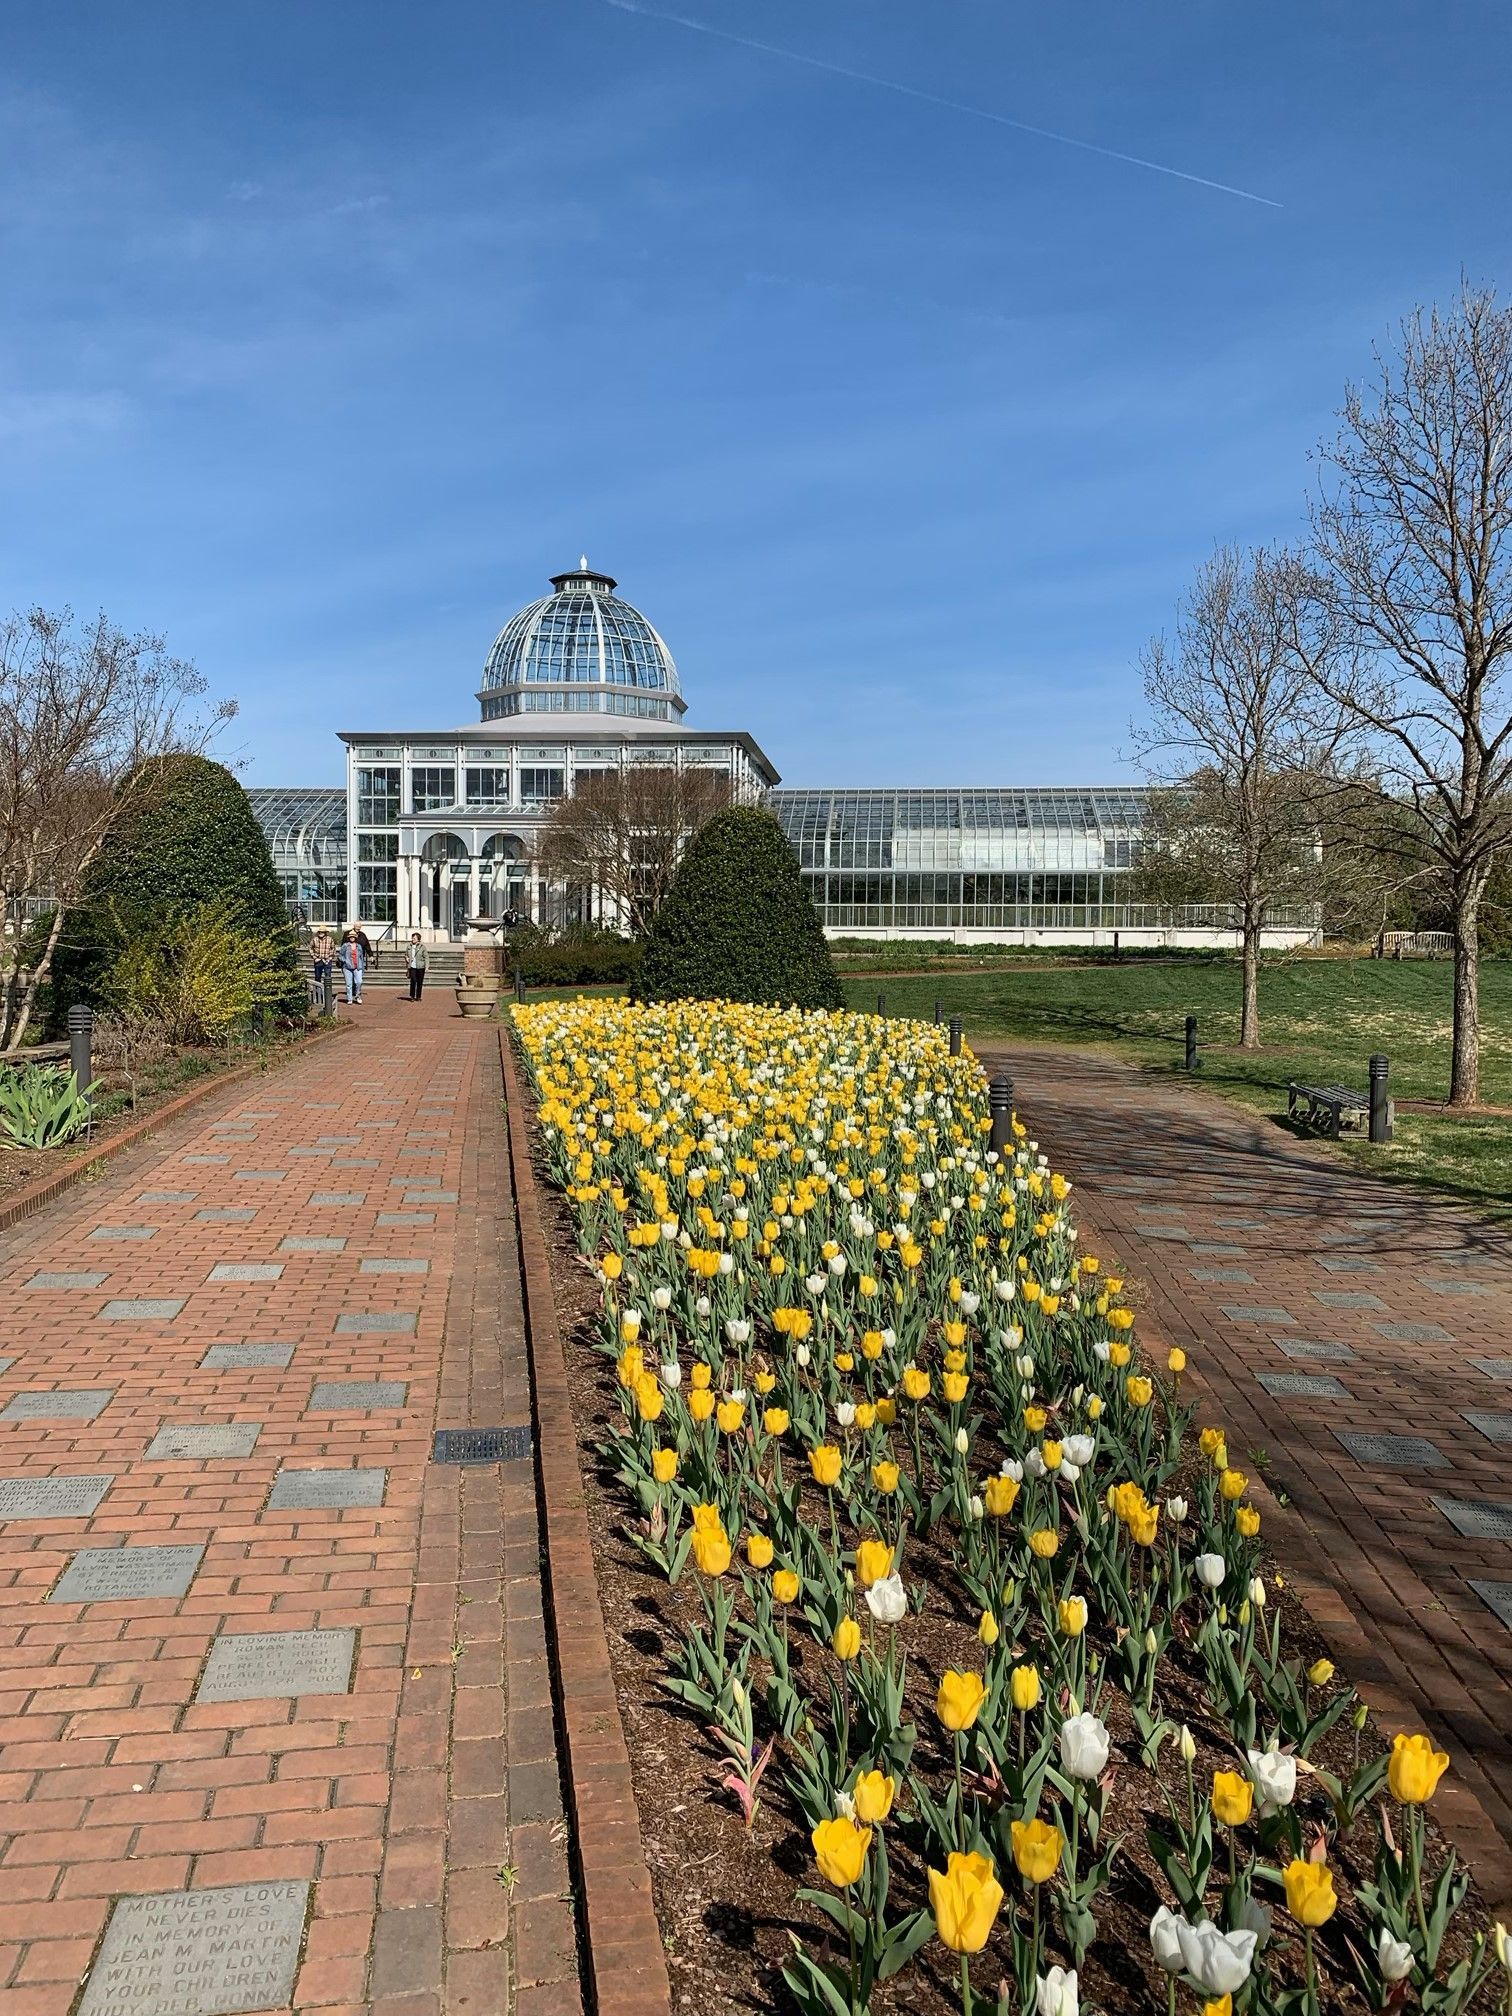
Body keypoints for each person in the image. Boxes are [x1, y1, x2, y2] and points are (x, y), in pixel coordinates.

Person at [338, 928, 366, 1005]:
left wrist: (362, 967)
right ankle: (349, 998)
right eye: (351, 937)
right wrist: (345, 961)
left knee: (359, 982)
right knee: (349, 984)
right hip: (347, 967)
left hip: (358, 966)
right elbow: (340, 956)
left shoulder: (359, 946)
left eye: (353, 937)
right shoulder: (345, 946)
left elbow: (361, 957)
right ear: (349, 937)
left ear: (356, 938)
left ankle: (358, 996)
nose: (352, 938)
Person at [310, 926, 334, 1006]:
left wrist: (330, 957)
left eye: (323, 932)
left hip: (327, 960)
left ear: (325, 933)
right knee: (317, 977)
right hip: (318, 960)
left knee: (327, 977)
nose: (321, 933)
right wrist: (314, 957)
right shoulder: (315, 939)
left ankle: (327, 995)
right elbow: (310, 948)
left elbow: (333, 949)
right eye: (320, 932)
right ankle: (318, 994)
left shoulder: (330, 939)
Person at [406, 932, 428, 1000]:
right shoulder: (409, 946)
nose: (413, 939)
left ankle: (418, 996)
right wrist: (406, 958)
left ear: (418, 939)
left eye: (414, 938)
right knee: (413, 981)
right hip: (412, 966)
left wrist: (427, 966)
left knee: (419, 982)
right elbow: (406, 954)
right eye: (412, 938)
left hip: (421, 967)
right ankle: (412, 996)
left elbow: (426, 957)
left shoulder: (422, 947)